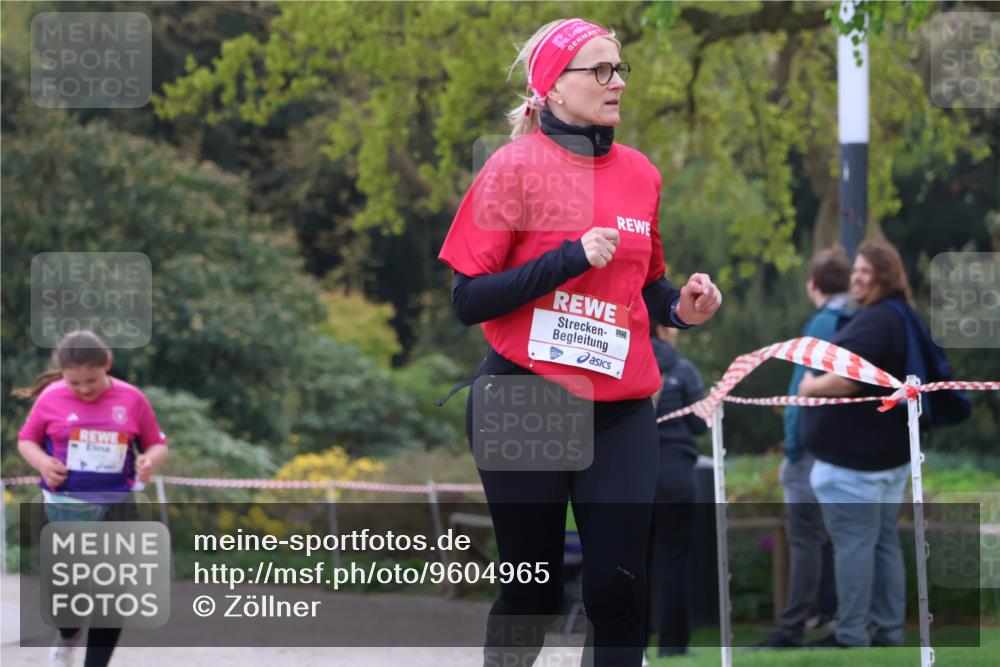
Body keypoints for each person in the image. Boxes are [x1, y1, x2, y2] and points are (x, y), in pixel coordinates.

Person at [437, 18, 721, 667]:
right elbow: (467, 298)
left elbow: (644, 283)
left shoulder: (640, 174)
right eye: (600, 70)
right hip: (526, 399)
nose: (616, 81)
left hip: (619, 409)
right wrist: (568, 258)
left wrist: (683, 304)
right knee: (531, 591)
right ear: (554, 89)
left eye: (619, 69)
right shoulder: (512, 167)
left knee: (618, 587)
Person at [15, 330, 169, 667]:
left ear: (108, 364)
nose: (84, 389)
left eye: (92, 380)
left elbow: (156, 443)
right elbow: (26, 440)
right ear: (62, 374)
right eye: (75, 383)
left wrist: (148, 461)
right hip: (64, 508)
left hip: (118, 506)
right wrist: (42, 462)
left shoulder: (132, 399)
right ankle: (68, 635)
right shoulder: (51, 399)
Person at [798, 241, 915, 649]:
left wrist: (809, 384)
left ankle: (850, 635)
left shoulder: (875, 321)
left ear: (886, 275)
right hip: (884, 463)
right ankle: (887, 633)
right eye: (856, 270)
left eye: (867, 271)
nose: (858, 277)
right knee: (882, 545)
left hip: (856, 468)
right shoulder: (899, 316)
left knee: (854, 548)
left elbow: (847, 377)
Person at [755, 247, 853, 648]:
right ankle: (843, 619)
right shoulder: (858, 319)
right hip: (844, 447)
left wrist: (791, 448)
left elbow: (803, 391)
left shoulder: (822, 323)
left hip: (810, 450)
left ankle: (793, 626)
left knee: (805, 537)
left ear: (812, 284)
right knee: (849, 537)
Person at [644, 325, 706, 659]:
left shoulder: (627, 360)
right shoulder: (683, 368)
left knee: (634, 563)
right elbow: (699, 423)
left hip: (634, 473)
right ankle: (673, 645)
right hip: (676, 474)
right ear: (665, 327)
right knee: (675, 560)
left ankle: (632, 642)